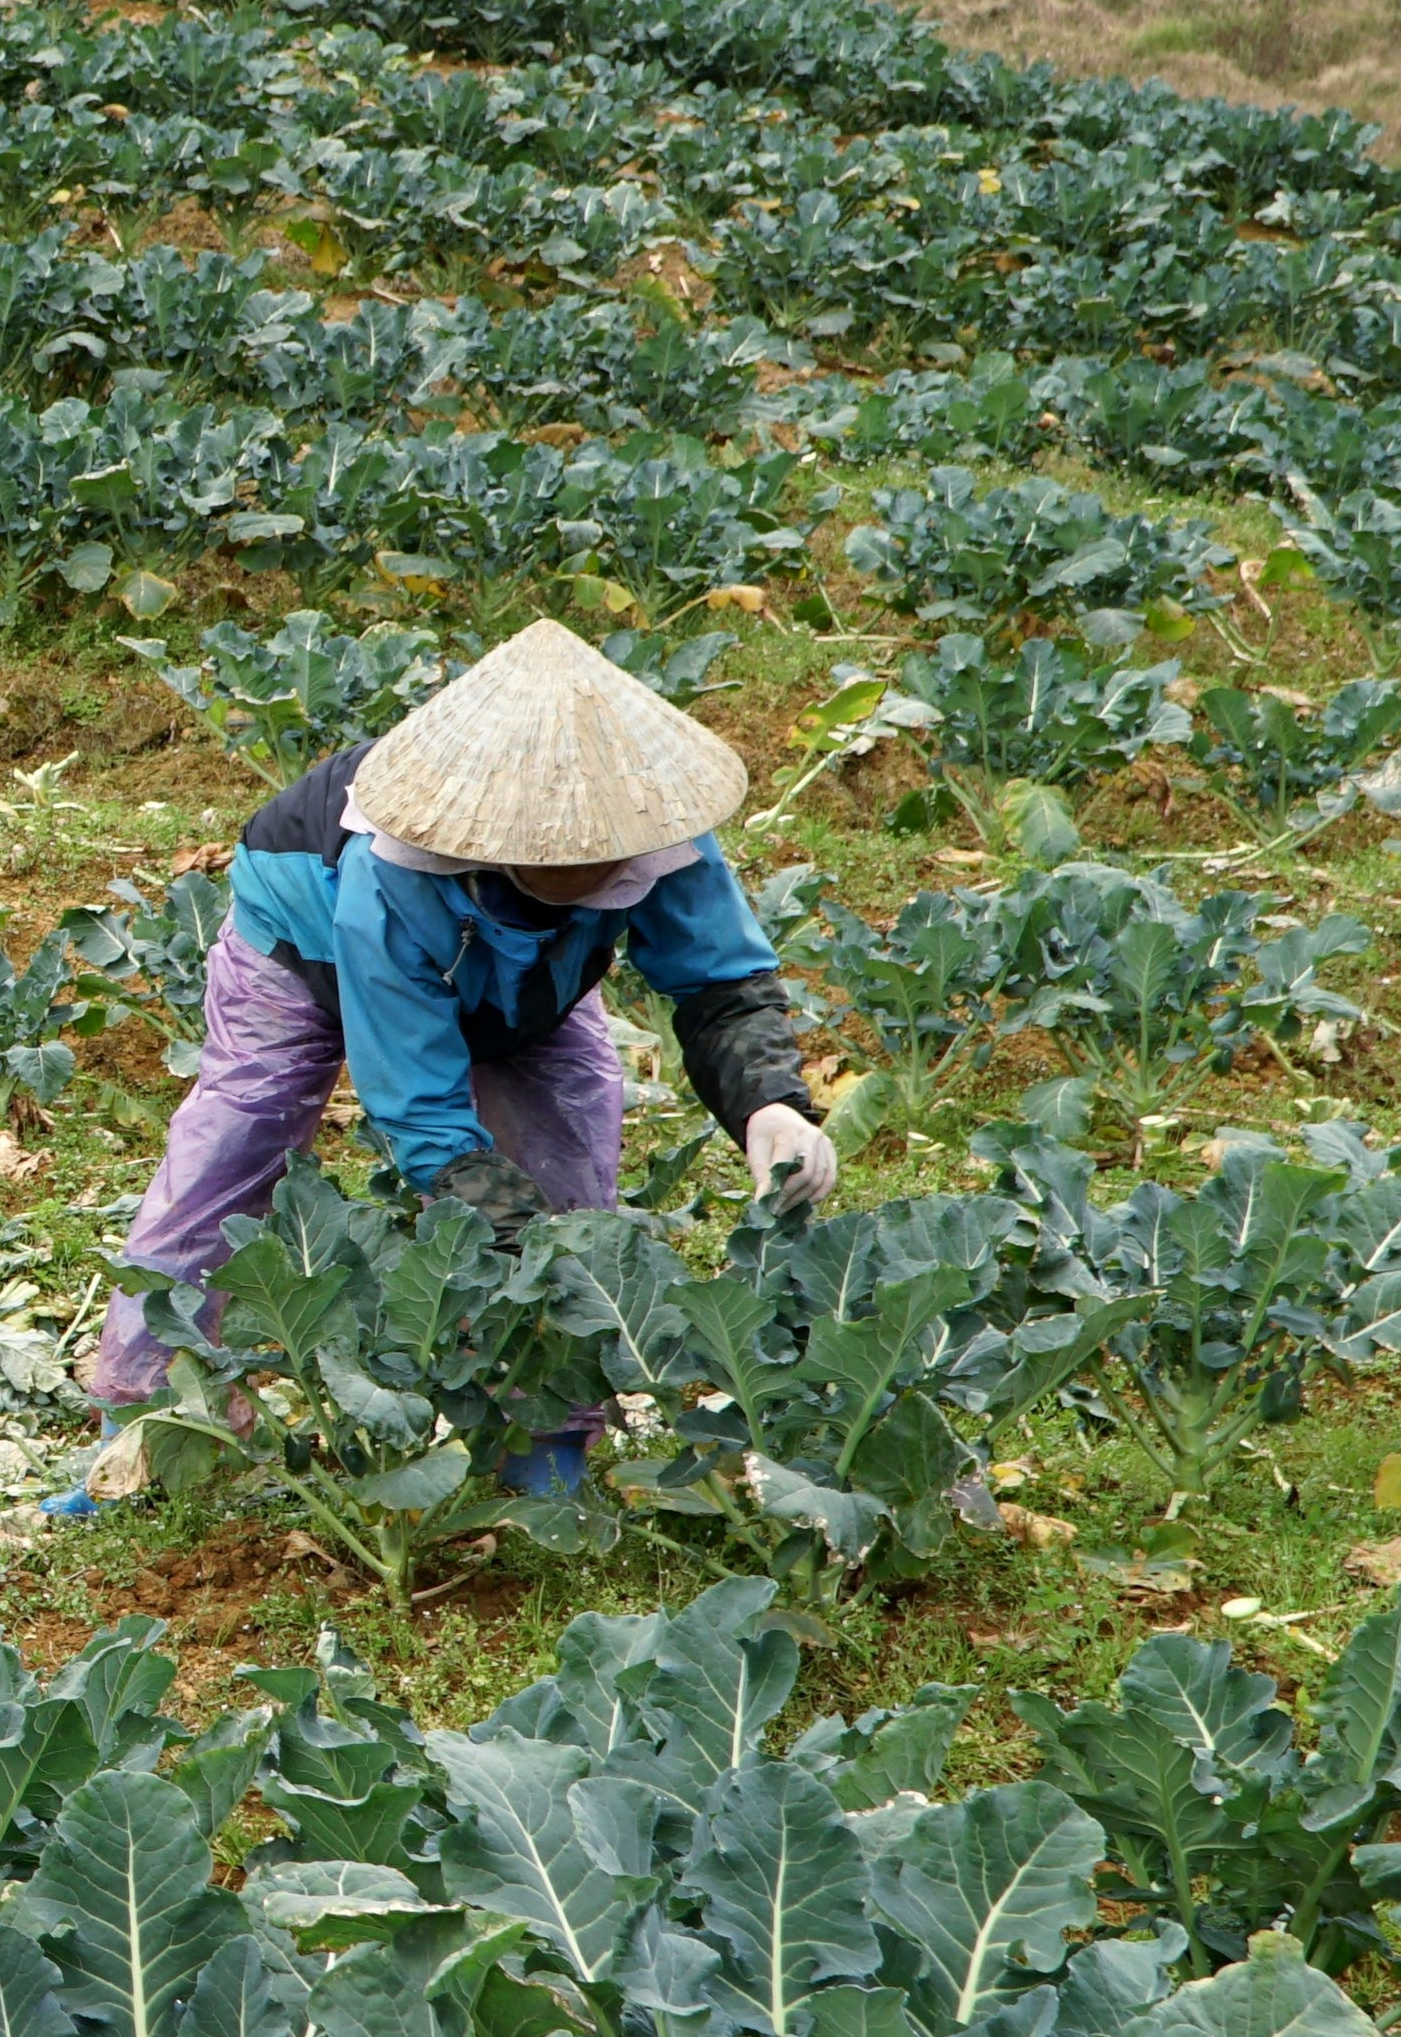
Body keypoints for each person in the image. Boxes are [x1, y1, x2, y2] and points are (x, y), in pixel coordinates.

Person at [78, 619, 834, 1473]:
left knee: (570, 1164)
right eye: (555, 857)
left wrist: (771, 1103)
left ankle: (547, 1440)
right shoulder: (392, 868)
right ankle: (149, 1416)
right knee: (238, 1139)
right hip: (305, 945)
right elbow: (419, 1107)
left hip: (530, 982)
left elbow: (719, 982)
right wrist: (519, 1234)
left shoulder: (655, 822)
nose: (585, 862)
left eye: (603, 854)